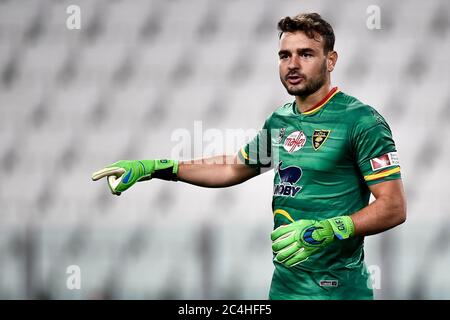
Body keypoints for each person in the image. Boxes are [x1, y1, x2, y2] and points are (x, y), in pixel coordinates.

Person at [92, 13, 406, 300]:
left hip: (339, 290)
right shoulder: (280, 121)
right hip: (284, 287)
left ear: (331, 60)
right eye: (285, 55)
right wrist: (160, 167)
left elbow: (393, 207)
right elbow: (233, 168)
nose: (292, 64)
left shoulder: (361, 121)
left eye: (305, 54)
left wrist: (330, 229)